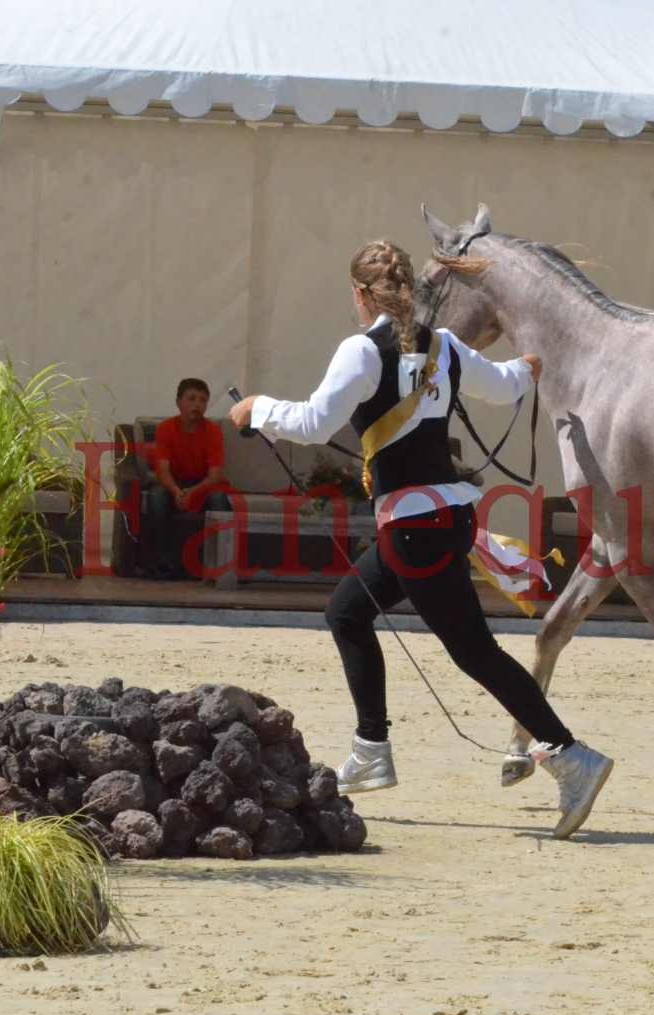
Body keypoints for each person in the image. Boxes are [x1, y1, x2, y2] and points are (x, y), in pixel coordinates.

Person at [228, 240, 612, 840]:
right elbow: (506, 387)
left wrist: (256, 409)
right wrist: (527, 368)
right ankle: (372, 749)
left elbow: (312, 423)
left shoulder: (362, 351)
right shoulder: (445, 346)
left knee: (473, 651)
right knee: (348, 611)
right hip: (443, 516)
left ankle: (569, 754)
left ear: (360, 294)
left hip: (413, 528)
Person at [144, 378, 233, 578]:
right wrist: (177, 491)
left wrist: (192, 492)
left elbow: (215, 476)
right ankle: (162, 563)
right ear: (178, 402)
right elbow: (163, 470)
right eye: (191, 399)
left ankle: (221, 564)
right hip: (175, 485)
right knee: (156, 496)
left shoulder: (213, 431)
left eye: (202, 400)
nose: (197, 405)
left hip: (203, 486)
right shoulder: (166, 428)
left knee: (219, 499)